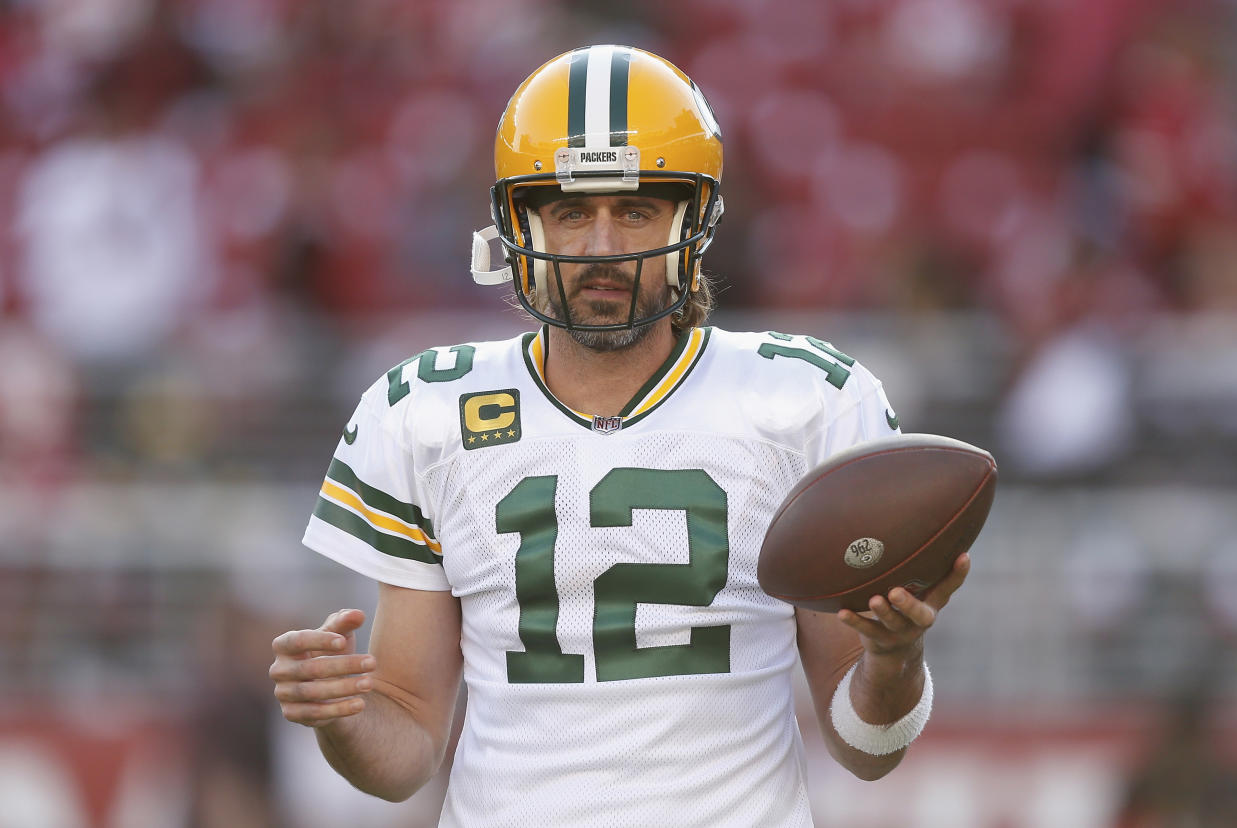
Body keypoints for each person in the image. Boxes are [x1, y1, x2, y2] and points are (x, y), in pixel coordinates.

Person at [269, 44, 970, 827]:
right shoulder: (425, 409)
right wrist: (342, 717)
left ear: (691, 221)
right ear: (519, 222)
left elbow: (868, 745)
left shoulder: (806, 400)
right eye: (571, 211)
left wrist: (894, 658)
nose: (602, 248)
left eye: (634, 210)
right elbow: (405, 750)